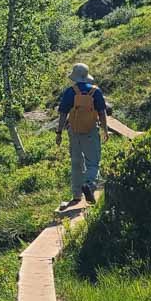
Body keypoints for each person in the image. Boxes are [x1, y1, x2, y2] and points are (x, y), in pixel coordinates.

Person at [55, 63, 109, 209]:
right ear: (86, 76)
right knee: (93, 162)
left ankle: (76, 195)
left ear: (75, 76)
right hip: (91, 131)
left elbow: (63, 114)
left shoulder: (70, 92)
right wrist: (104, 129)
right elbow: (102, 113)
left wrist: (59, 132)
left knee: (76, 162)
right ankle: (90, 184)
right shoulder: (95, 92)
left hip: (74, 132)